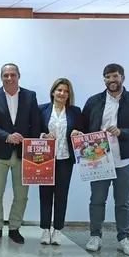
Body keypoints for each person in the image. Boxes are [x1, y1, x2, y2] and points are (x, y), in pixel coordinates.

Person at [81, 63, 129, 256]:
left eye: (115, 76)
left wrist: (122, 132)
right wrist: (78, 133)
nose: (111, 80)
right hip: (98, 159)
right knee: (97, 200)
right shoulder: (93, 101)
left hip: (126, 160)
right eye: (108, 77)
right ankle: (95, 235)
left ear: (122, 78)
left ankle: (124, 238)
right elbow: (83, 126)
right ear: (104, 79)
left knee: (123, 202)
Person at [0, 63, 41, 244]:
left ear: (18, 76)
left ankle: (15, 228)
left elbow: (36, 123)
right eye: (5, 75)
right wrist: (7, 137)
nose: (9, 78)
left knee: (21, 195)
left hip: (24, 153)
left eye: (12, 74)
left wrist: (32, 145)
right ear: (1, 77)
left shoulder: (30, 96)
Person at [38, 78, 82, 246]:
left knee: (61, 195)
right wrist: (44, 136)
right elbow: (34, 130)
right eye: (59, 90)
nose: (62, 93)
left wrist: (78, 132)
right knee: (45, 195)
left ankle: (57, 230)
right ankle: (45, 229)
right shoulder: (42, 109)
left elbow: (83, 130)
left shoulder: (75, 111)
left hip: (65, 159)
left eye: (66, 91)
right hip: (45, 159)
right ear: (53, 91)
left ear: (69, 94)